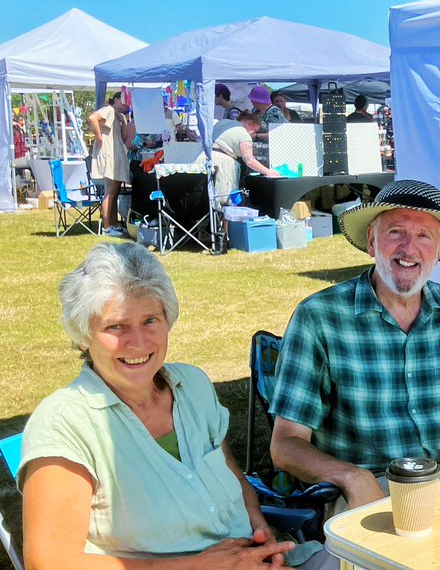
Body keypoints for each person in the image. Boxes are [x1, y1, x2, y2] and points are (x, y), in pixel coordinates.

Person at [19, 243, 309, 568]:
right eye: (116, 326)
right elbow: (48, 562)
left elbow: (236, 481)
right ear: (83, 334)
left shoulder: (194, 387)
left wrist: (260, 532)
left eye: (150, 320)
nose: (138, 342)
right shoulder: (64, 423)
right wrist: (201, 565)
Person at [269, 180, 440, 510]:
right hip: (374, 482)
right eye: (396, 232)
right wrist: (351, 478)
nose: (409, 249)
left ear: (438, 252)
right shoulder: (320, 317)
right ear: (372, 243)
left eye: (424, 236)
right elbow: (285, 445)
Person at [205, 110, 281, 202]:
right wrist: (269, 172)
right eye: (255, 131)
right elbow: (249, 160)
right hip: (222, 162)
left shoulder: (223, 122)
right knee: (222, 198)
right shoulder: (244, 134)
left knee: (206, 196)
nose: (254, 135)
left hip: (205, 158)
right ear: (250, 125)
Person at [87, 93, 134, 238]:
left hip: (116, 155)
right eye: (125, 102)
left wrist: (124, 121)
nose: (127, 106)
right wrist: (99, 137)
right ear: (117, 100)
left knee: (115, 191)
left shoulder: (117, 115)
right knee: (111, 190)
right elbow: (92, 118)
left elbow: (125, 137)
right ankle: (107, 227)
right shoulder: (108, 109)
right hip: (108, 154)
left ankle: (114, 224)